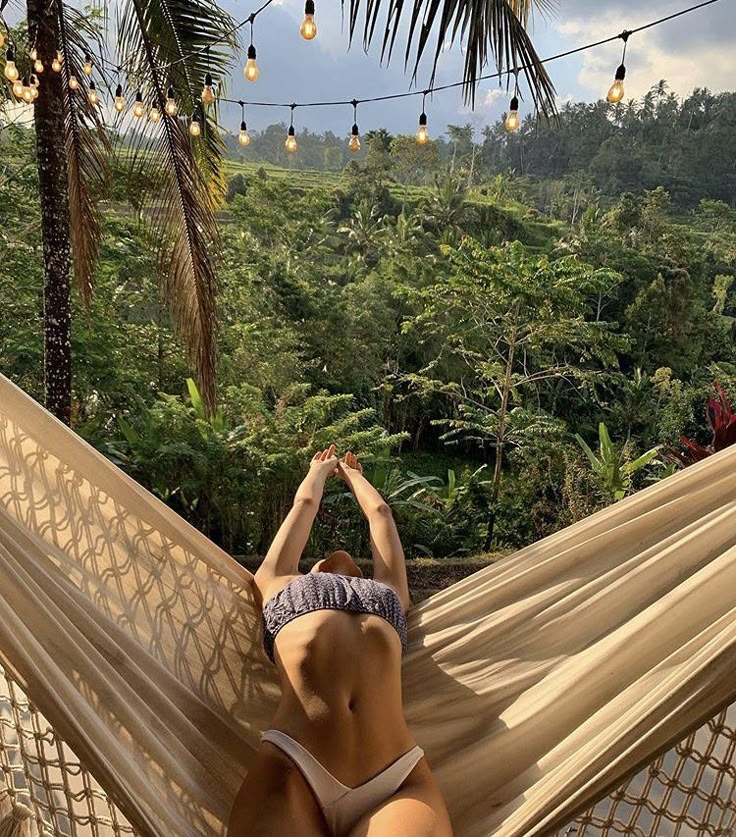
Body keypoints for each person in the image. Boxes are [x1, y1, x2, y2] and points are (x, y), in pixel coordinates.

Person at [227, 445, 454, 836]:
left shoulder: (390, 594)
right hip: (294, 768)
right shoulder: (278, 580)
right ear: (308, 572)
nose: (335, 557)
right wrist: (318, 469)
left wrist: (355, 477)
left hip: (397, 779)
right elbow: (304, 503)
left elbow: (380, 514)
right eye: (316, 562)